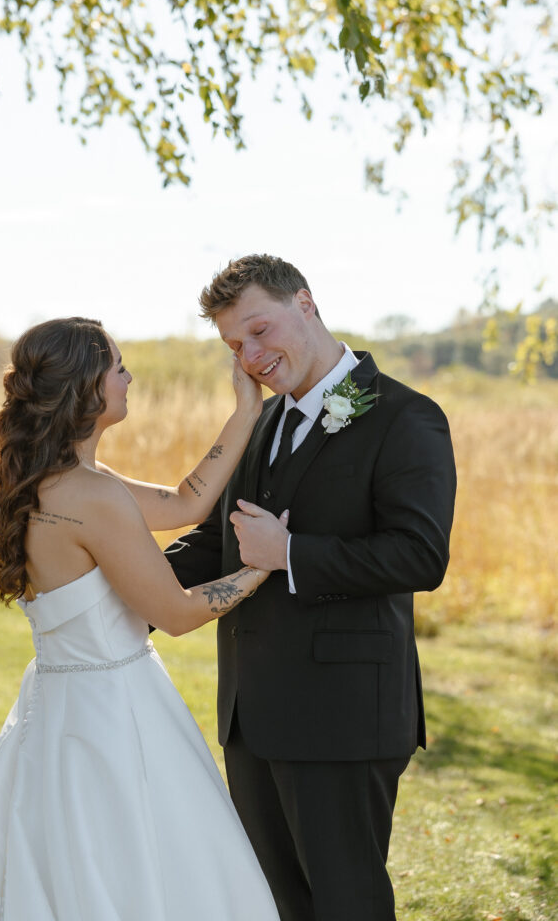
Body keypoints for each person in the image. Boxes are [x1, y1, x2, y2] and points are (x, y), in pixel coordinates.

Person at [0, 316, 281, 921]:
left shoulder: (55, 482)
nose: (129, 376)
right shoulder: (91, 498)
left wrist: (244, 412)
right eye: (118, 366)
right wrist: (264, 564)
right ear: (86, 388)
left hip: (57, 707)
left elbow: (184, 503)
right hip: (114, 711)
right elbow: (176, 614)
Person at [165, 254, 457, 921]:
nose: (252, 356)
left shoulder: (403, 417)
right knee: (278, 905)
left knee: (344, 903)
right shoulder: (260, 422)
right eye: (235, 346)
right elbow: (216, 543)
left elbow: (419, 555)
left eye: (259, 331)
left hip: (343, 714)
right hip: (250, 712)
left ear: (305, 303)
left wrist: (291, 553)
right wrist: (108, 593)